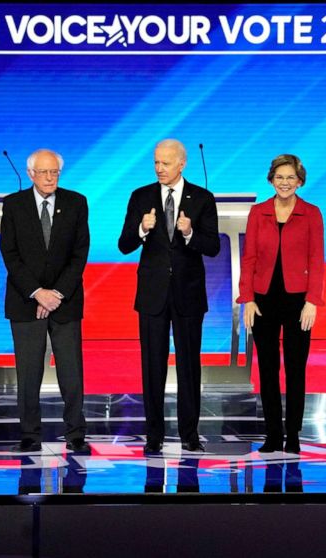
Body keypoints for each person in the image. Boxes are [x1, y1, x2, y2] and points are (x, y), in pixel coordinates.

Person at [118, 139, 220, 454]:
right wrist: (142, 229)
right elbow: (124, 244)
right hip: (152, 296)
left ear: (181, 164)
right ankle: (154, 434)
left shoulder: (202, 198)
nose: (160, 168)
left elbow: (213, 246)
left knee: (189, 366)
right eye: (156, 163)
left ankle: (190, 433)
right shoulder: (141, 196)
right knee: (152, 367)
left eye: (166, 163)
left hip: (188, 295)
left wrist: (190, 233)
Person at [0, 149, 90, 453]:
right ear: (30, 174)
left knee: (71, 370)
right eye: (44, 173)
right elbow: (10, 254)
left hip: (65, 301)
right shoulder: (14, 205)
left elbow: (79, 254)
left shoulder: (76, 202)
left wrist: (57, 294)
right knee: (28, 373)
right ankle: (29, 434)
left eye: (55, 172)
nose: (50, 178)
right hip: (26, 301)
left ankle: (76, 432)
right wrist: (38, 292)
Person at [238, 154, 325, 454]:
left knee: (295, 367)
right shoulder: (258, 212)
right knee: (268, 368)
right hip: (263, 299)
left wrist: (313, 300)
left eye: (290, 178)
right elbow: (248, 258)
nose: (284, 182)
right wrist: (247, 298)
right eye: (279, 177)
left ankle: (293, 432)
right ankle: (273, 433)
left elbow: (317, 260)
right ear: (271, 179)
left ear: (299, 181)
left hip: (298, 300)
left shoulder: (311, 213)